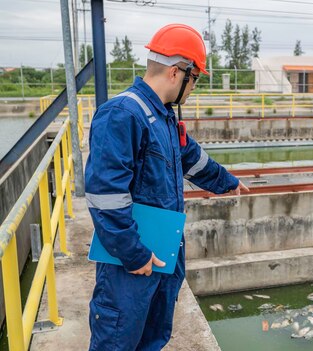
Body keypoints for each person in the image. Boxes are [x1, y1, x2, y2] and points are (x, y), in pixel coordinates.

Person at [84, 23, 249, 350]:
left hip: (161, 254)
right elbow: (105, 197)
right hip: (129, 265)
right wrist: (133, 254)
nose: (194, 88)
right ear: (177, 72)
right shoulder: (122, 114)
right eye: (196, 79)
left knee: (153, 337)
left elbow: (192, 158)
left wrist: (227, 182)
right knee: (117, 339)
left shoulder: (163, 117)